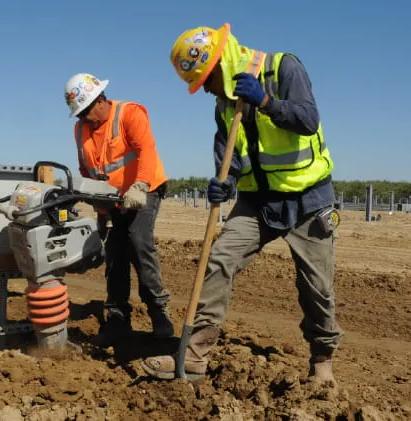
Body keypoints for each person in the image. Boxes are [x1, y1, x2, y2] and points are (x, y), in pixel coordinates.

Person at [141, 23, 344, 386]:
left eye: (205, 80)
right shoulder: (225, 105)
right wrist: (224, 185)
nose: (205, 90)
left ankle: (322, 361)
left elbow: (308, 120)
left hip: (309, 199)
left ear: (220, 62)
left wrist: (266, 102)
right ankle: (194, 357)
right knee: (219, 259)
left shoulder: (283, 68)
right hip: (258, 203)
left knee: (317, 286)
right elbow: (229, 159)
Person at [64, 72, 174, 346]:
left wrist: (140, 185)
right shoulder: (80, 129)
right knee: (114, 254)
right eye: (79, 114)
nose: (84, 118)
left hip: (144, 190)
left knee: (139, 243)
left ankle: (157, 310)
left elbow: (146, 150)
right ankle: (117, 316)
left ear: (100, 99)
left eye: (86, 111)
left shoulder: (129, 113)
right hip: (111, 199)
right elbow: (86, 169)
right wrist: (100, 208)